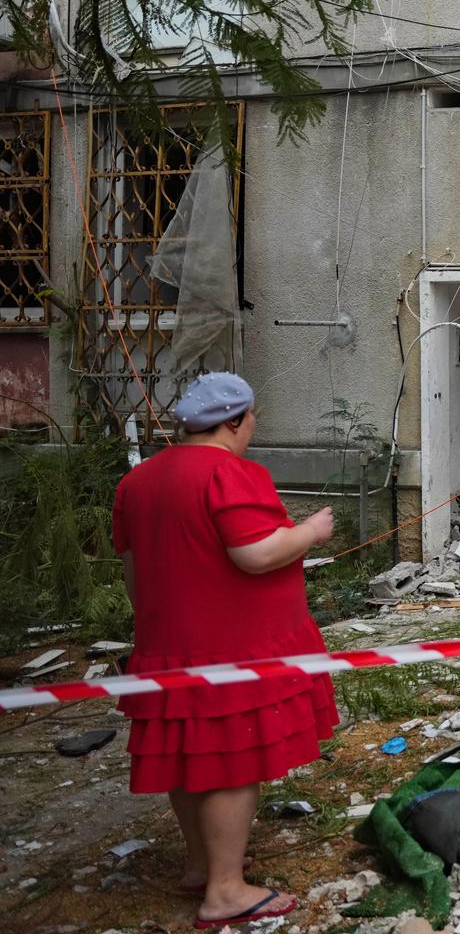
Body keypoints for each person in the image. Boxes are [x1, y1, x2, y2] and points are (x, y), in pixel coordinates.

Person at [114, 373, 339, 928]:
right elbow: (257, 554)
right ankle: (226, 890)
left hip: (169, 646)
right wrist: (310, 531)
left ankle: (201, 864)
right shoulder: (231, 473)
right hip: (234, 648)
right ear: (234, 421)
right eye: (252, 416)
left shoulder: (139, 481)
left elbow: (131, 571)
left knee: (190, 760)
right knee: (231, 763)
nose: (254, 425)